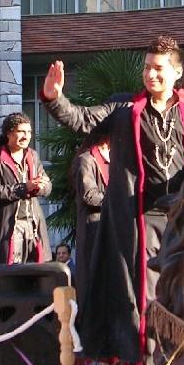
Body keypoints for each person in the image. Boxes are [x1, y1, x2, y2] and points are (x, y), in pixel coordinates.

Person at [41, 35, 184, 365]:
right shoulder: (124, 110)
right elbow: (82, 120)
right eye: (147, 68)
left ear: (177, 73)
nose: (151, 74)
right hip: (138, 222)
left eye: (158, 68)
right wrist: (54, 97)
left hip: (183, 220)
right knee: (146, 302)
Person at [0, 112, 51, 268]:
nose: (26, 136)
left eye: (29, 132)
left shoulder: (33, 156)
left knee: (37, 272)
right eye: (21, 131)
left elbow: (48, 186)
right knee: (11, 272)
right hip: (10, 227)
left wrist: (41, 186)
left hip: (34, 225)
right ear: (9, 133)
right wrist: (24, 187)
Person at [71, 128, 110, 316]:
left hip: (111, 228)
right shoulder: (85, 160)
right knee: (93, 278)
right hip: (93, 228)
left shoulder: (116, 159)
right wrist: (118, 198)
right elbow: (90, 196)